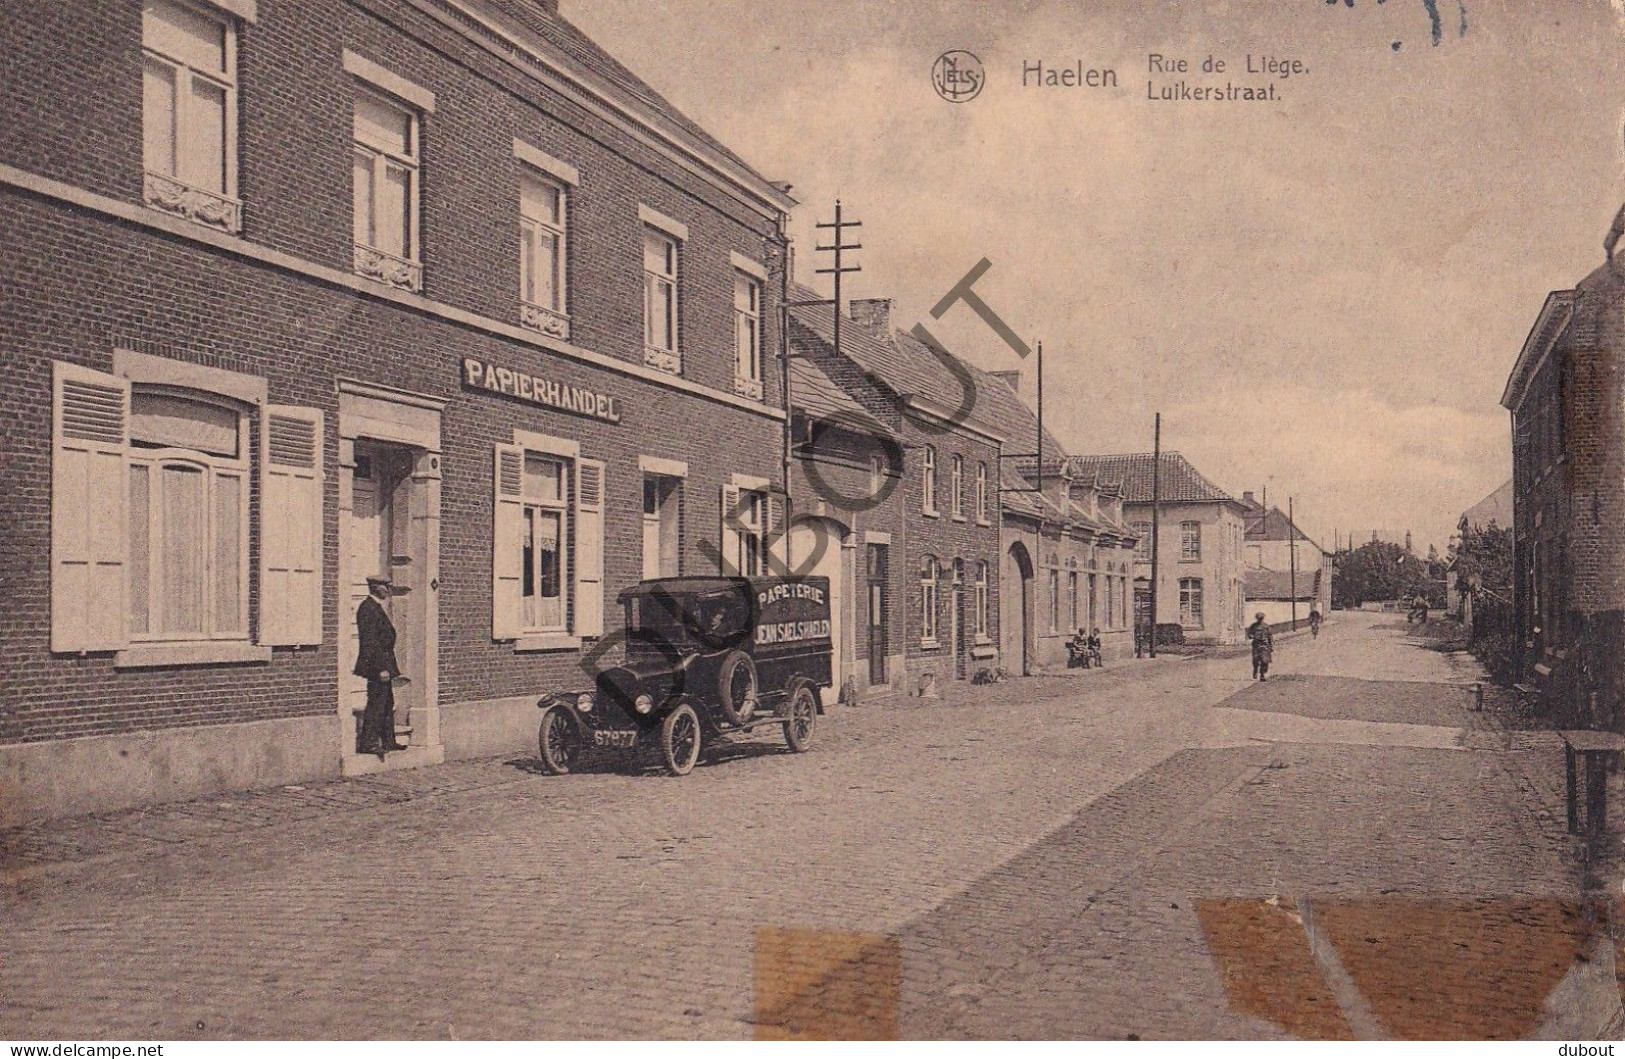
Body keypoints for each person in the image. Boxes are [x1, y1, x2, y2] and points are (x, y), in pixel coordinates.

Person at [355, 574, 406, 759]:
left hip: (383, 664)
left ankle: (388, 741)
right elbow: (371, 642)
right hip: (377, 667)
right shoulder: (367, 609)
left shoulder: (375, 607)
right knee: (376, 703)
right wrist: (381, 668)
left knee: (387, 703)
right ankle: (368, 743)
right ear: (376, 587)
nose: (389, 590)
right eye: (386, 586)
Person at [1247, 612, 1274, 681]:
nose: (1260, 620)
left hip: (1264, 644)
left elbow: (1270, 636)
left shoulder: (1266, 626)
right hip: (1256, 644)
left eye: (1261, 618)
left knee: (1264, 661)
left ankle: (1262, 675)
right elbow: (1249, 633)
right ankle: (1255, 670)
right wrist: (1251, 636)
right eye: (1259, 618)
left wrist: (1271, 646)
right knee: (1255, 659)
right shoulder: (1253, 626)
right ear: (1257, 618)